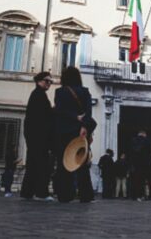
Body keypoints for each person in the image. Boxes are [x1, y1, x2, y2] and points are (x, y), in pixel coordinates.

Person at [54, 66, 97, 203]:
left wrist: (74, 117)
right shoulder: (85, 92)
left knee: (64, 163)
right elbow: (89, 111)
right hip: (81, 132)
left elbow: (59, 111)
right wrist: (83, 125)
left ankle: (65, 195)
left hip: (64, 132)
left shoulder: (60, 92)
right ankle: (86, 195)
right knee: (82, 163)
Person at [20, 71, 54, 201]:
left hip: (34, 137)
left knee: (33, 165)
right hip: (39, 137)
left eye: (51, 81)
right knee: (42, 166)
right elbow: (42, 118)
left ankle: (27, 192)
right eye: (47, 81)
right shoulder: (38, 95)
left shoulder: (38, 95)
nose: (49, 83)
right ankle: (41, 193)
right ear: (39, 81)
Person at [130, 130, 151, 201]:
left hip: (135, 163)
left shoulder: (133, 140)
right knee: (143, 180)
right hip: (144, 163)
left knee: (135, 180)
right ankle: (141, 195)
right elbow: (150, 150)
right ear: (143, 134)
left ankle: (135, 196)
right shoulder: (146, 140)